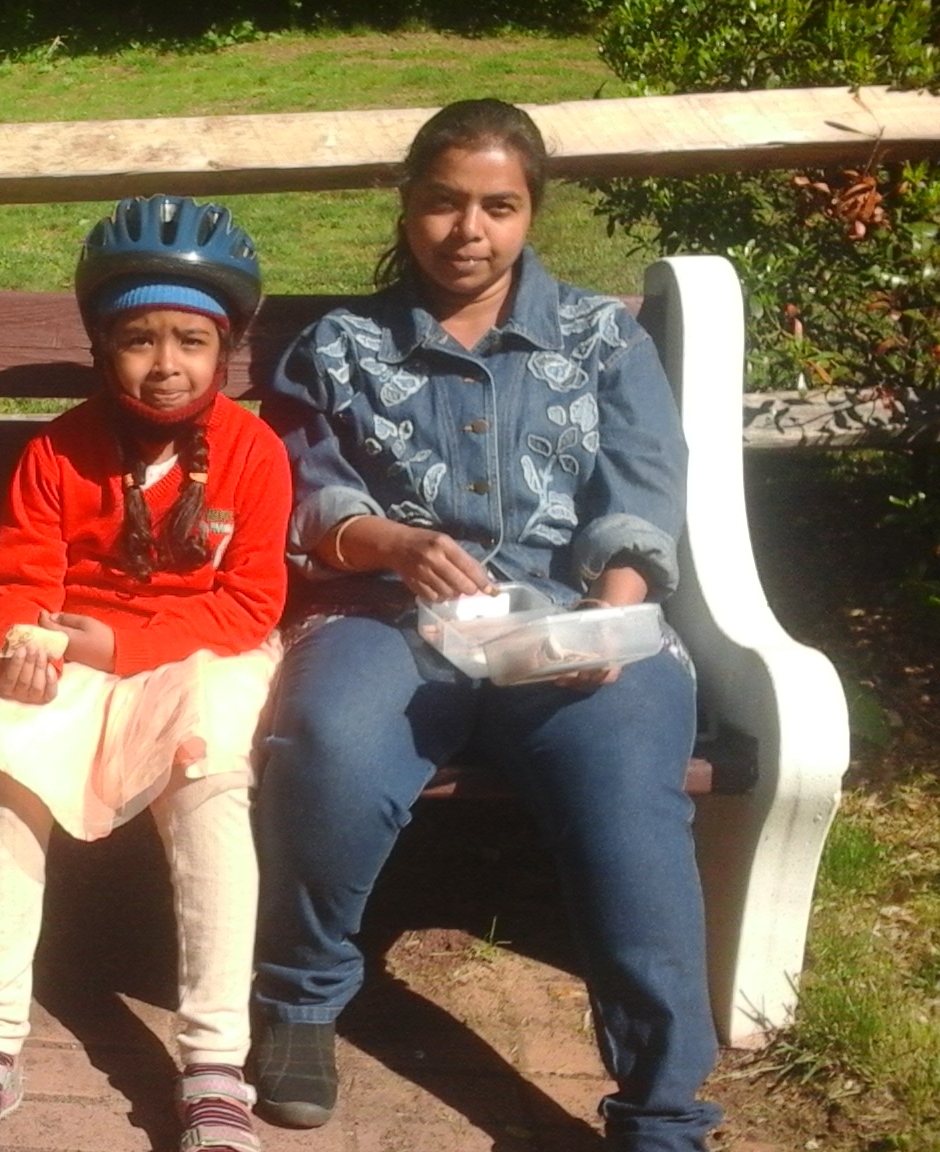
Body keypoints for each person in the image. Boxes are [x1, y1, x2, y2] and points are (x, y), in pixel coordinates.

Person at [247, 99, 722, 1152]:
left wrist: (612, 616)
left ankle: (661, 1107)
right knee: (326, 744)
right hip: (389, 616)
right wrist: (390, 543)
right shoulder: (340, 346)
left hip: (569, 618)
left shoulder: (601, 339)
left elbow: (643, 488)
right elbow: (304, 491)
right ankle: (298, 999)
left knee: (630, 805)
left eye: (497, 207)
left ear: (531, 212)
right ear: (406, 205)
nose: (468, 231)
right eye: (443, 203)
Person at [0, 194, 292, 1152]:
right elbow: (20, 576)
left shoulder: (253, 454)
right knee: (5, 767)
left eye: (191, 341)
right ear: (99, 345)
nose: (165, 364)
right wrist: (18, 642)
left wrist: (115, 649)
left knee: (210, 779)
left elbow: (250, 604)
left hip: (199, 652)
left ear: (227, 349)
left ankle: (214, 1066)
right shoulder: (57, 449)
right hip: (63, 645)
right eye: (137, 339)